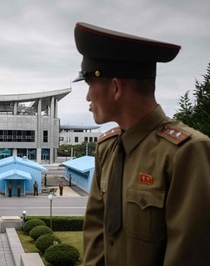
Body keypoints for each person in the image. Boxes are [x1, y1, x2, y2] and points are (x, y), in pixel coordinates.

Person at [73, 22, 210, 266]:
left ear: (115, 87)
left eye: (89, 84)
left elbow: (188, 254)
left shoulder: (185, 152)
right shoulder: (107, 148)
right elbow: (96, 231)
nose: (87, 97)